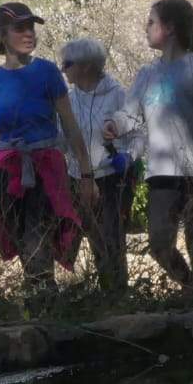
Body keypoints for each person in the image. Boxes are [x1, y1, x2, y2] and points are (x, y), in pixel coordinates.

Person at [0, 2, 96, 289]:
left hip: (46, 173)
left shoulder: (48, 72)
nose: (29, 34)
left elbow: (71, 125)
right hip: (8, 174)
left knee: (37, 240)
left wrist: (87, 174)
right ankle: (42, 305)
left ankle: (41, 304)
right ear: (2, 35)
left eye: (31, 27)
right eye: (20, 28)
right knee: (21, 239)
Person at [105, 0, 193, 293]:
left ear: (170, 28)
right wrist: (114, 126)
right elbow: (130, 114)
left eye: (151, 21)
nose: (146, 27)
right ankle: (192, 286)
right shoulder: (146, 75)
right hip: (162, 173)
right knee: (158, 242)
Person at [59, 37, 140, 291]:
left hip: (111, 180)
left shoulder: (117, 95)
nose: (63, 69)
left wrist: (128, 157)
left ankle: (117, 296)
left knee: (112, 239)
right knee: (90, 239)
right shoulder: (67, 101)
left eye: (67, 64)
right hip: (78, 179)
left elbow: (138, 134)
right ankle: (102, 296)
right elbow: (61, 141)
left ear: (85, 66)